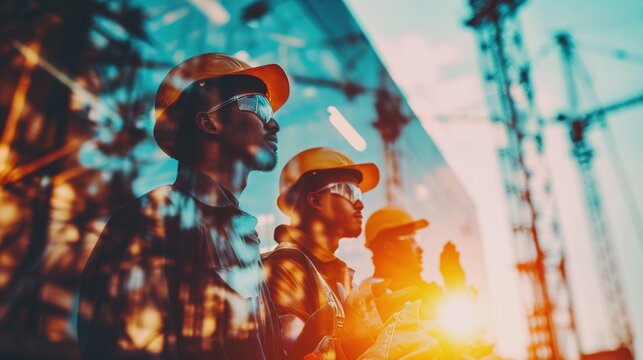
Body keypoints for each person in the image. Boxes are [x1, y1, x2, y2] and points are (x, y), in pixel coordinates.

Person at [77, 53, 289, 359]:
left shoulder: (243, 239)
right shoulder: (155, 219)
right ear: (209, 120)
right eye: (258, 104)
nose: (274, 123)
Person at [262, 147, 380, 359]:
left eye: (359, 194)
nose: (360, 203)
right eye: (349, 191)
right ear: (315, 200)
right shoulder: (285, 268)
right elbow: (294, 351)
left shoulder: (337, 275)